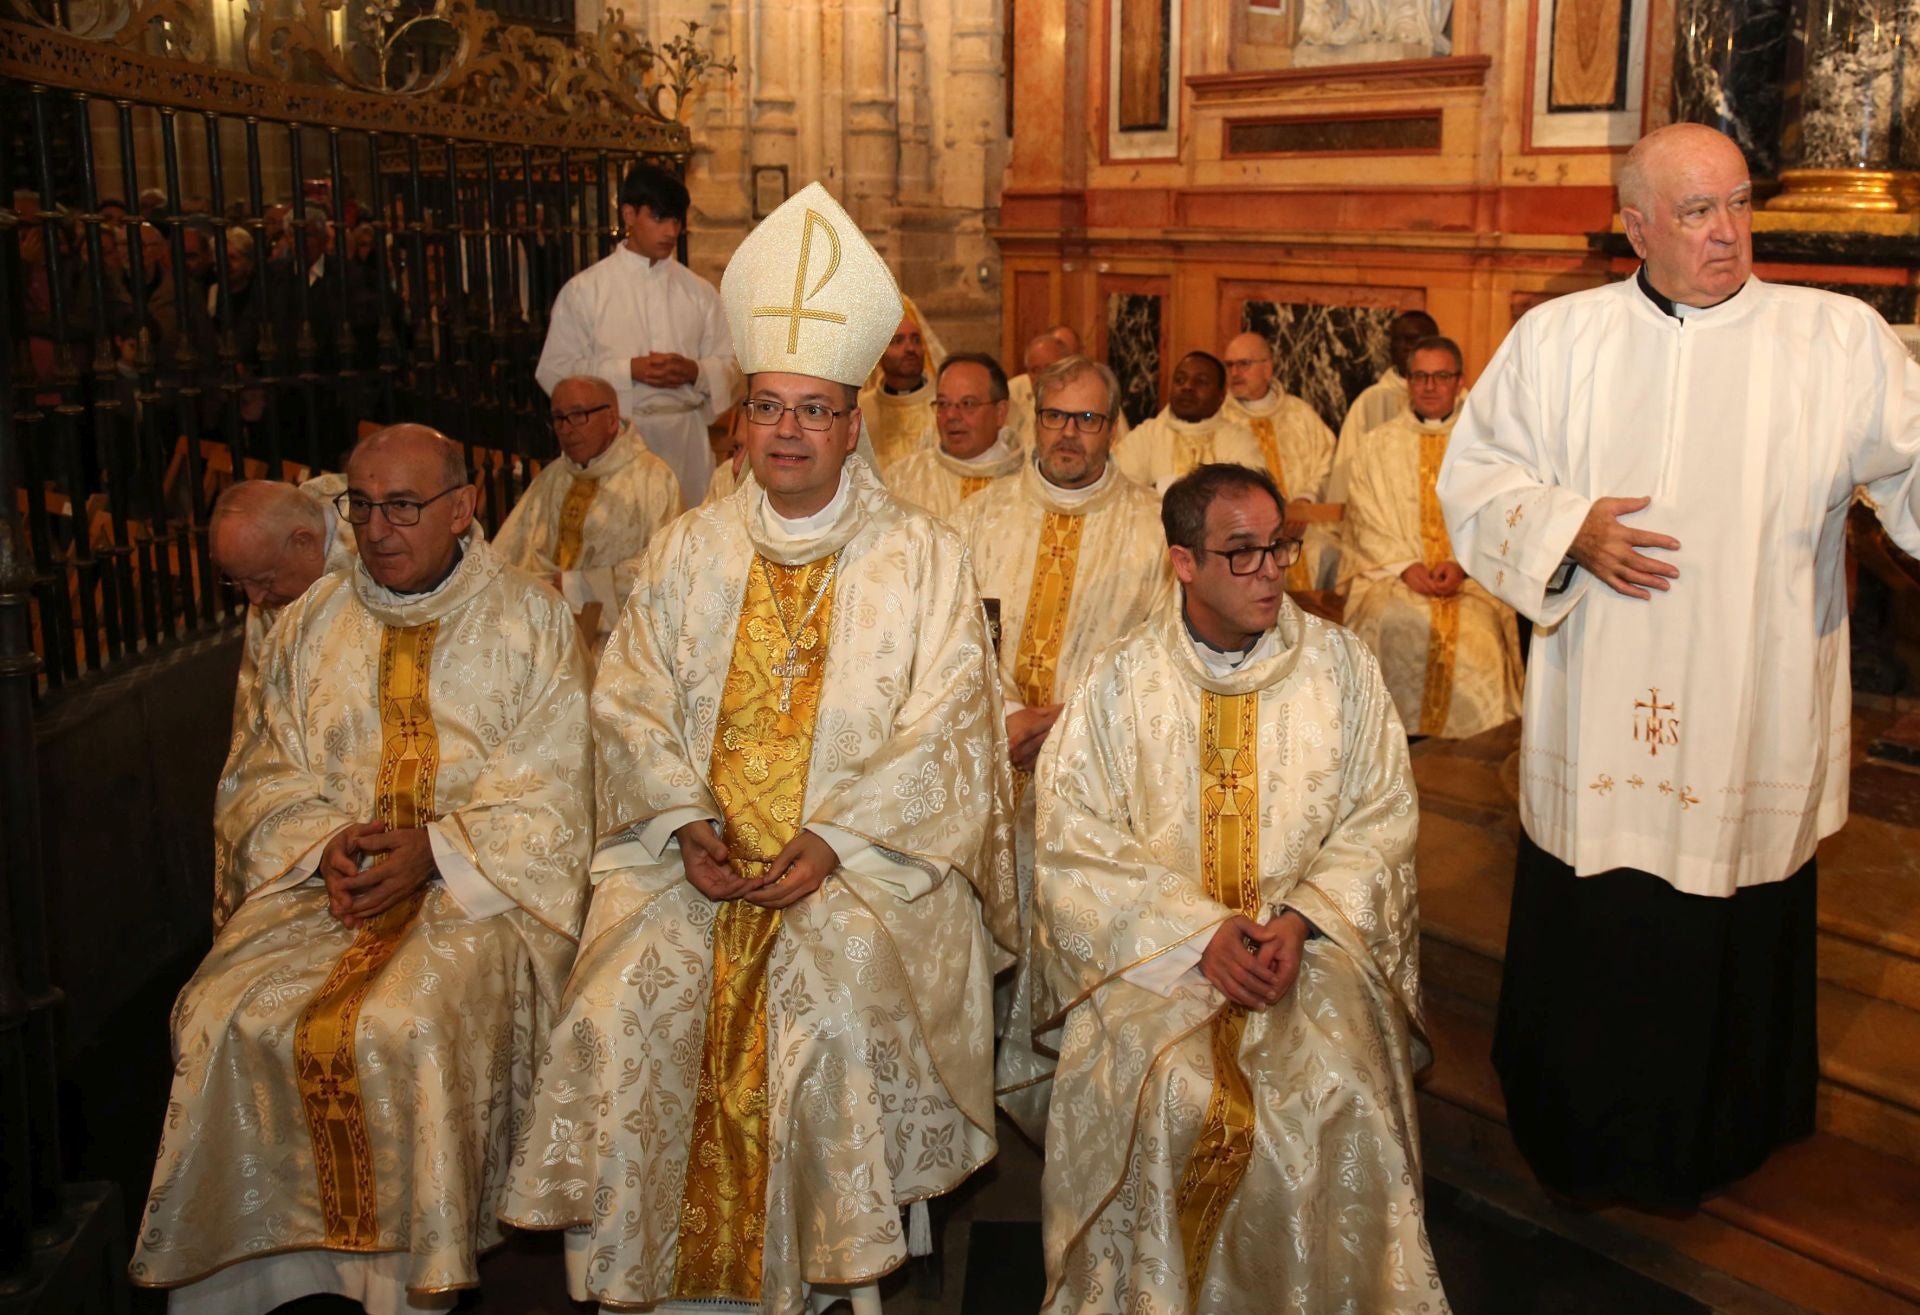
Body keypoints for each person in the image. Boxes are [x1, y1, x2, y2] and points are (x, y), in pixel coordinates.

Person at [501, 181, 1018, 1315]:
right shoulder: (687, 549)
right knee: (622, 995)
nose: (788, 431)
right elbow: (627, 698)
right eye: (768, 408)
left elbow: (952, 729)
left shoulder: (920, 556)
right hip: (693, 860)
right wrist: (682, 820)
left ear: (853, 422)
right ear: (738, 423)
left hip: (865, 872)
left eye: (816, 409)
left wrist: (832, 839)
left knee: (823, 1018)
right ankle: (655, 1274)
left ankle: (828, 1273)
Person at [1437, 122, 1920, 1209]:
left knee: (1732, 911)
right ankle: (1575, 1119)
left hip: (1753, 698)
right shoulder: (1561, 339)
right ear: (1637, 225)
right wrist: (1568, 530)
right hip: (1606, 696)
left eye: (1741, 204)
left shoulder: (1835, 339)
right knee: (1604, 913)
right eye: (1697, 211)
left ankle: (1730, 1126)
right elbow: (1476, 480)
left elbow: (1915, 462)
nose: (1728, 232)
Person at [129, 424, 594, 1312]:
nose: (380, 529)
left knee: (407, 1020)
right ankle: (250, 1276)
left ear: (463, 509)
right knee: (215, 1012)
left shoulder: (528, 618)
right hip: (323, 889)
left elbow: (558, 788)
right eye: (365, 505)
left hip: (475, 894)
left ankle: (403, 1283)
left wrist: (437, 848)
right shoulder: (308, 622)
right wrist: (321, 841)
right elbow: (258, 771)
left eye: (406, 506)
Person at [1031, 462, 1445, 1313]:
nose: (1269, 573)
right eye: (1243, 553)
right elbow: (1074, 839)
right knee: (1166, 1093)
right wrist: (1197, 934)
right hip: (1154, 959)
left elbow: (1381, 816)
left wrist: (1300, 921)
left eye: (1280, 550)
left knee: (1338, 1087)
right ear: (1184, 562)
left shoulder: (1342, 667)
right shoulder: (1119, 680)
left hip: (1313, 951)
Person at [952, 353, 1173, 1139]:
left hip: (1100, 772)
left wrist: (1070, 722)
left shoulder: (1152, 525)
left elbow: (1160, 651)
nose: (1068, 434)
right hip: (993, 751)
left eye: (1086, 419)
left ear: (1113, 427)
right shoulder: (981, 515)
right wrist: (1005, 712)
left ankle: (1081, 1103)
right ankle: (977, 1087)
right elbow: (955, 636)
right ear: (1032, 418)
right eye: (1055, 416)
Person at [1342, 336, 1521, 739]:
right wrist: (1405, 567)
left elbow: (1503, 512)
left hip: (1473, 581)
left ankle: (1473, 752)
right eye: (1420, 376)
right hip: (1392, 578)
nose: (1430, 385)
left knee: (1480, 637)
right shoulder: (1377, 444)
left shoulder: (1488, 446)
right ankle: (1384, 744)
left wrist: (1463, 564)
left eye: (1441, 376)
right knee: (1389, 624)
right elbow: (1364, 516)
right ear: (1406, 381)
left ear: (1460, 380)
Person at [536, 163, 741, 504]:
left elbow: (732, 367)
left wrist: (696, 372)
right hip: (617, 445)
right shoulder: (585, 291)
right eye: (659, 218)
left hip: (686, 441)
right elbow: (555, 369)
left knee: (687, 541)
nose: (671, 231)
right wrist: (628, 370)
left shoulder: (700, 293)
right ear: (629, 215)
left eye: (676, 220)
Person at [490, 374, 684, 647]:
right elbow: (510, 552)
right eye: (558, 418)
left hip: (617, 642)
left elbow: (665, 571)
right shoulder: (553, 477)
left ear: (611, 417)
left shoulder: (653, 479)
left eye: (578, 415)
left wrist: (574, 587)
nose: (566, 429)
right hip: (543, 628)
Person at [208, 477, 360, 760]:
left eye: (263, 579)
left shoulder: (380, 554)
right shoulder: (269, 599)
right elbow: (255, 719)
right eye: (242, 585)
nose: (255, 599)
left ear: (304, 542)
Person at [1220, 330, 1338, 589]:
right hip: (1245, 537)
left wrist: (1305, 501)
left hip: (1304, 531)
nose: (1235, 372)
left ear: (1268, 368)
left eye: (1244, 364)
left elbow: (1326, 460)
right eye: (1230, 365)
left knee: (1329, 553)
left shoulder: (1300, 415)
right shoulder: (1219, 420)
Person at [888, 351, 1026, 518]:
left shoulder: (1028, 484)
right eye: (943, 404)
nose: (951, 415)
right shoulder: (901, 480)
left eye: (967, 404)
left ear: (1000, 413)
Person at [1112, 351, 1266, 494]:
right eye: (1180, 380)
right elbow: (1121, 492)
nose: (1187, 387)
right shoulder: (1145, 436)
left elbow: (1248, 494)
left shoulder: (1238, 440)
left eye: (1201, 382)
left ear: (1221, 396)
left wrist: (1160, 488)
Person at [1336, 309, 1440, 463]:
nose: (1404, 347)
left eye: (1412, 340)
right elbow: (1348, 466)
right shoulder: (1369, 402)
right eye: (1397, 340)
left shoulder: (1458, 403)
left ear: (1435, 345)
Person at [855, 297, 944, 473]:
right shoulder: (861, 411)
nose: (910, 348)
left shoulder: (944, 403)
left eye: (916, 340)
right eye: (898, 341)